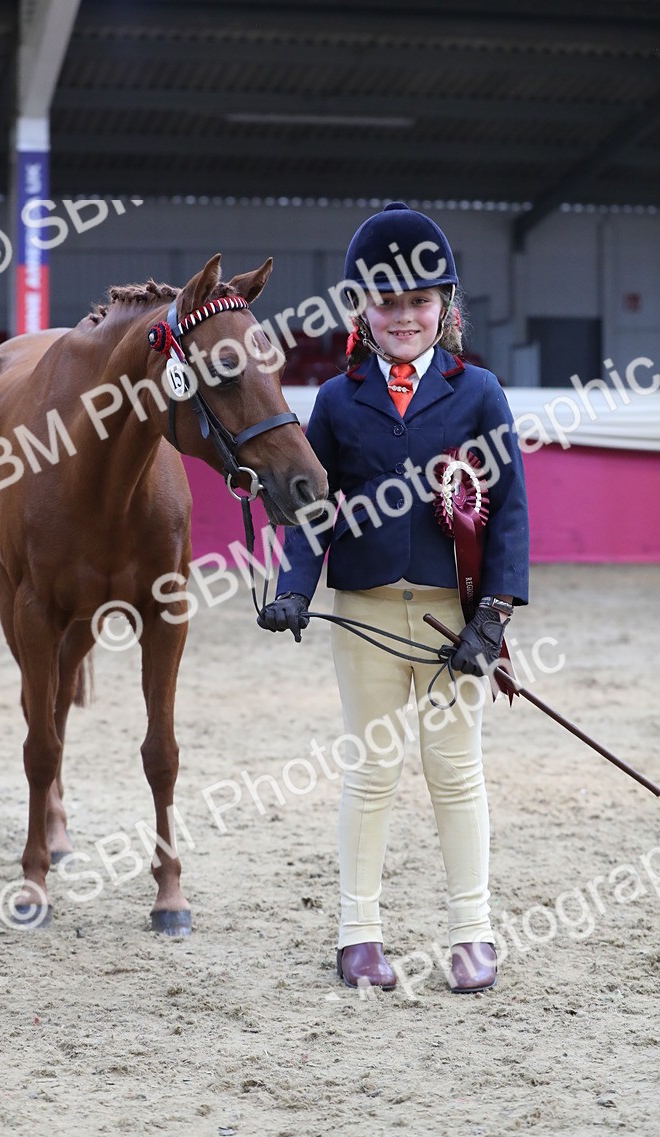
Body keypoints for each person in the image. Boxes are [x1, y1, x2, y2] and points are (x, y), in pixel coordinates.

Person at [257, 202, 529, 994]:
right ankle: (358, 935)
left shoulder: (479, 393)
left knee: (455, 770)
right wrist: (293, 589)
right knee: (371, 769)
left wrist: (492, 618)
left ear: (444, 307)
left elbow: (509, 510)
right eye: (388, 303)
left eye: (419, 301)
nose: (404, 317)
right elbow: (313, 509)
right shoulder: (337, 403)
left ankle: (472, 933)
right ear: (362, 311)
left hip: (452, 618)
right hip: (367, 614)